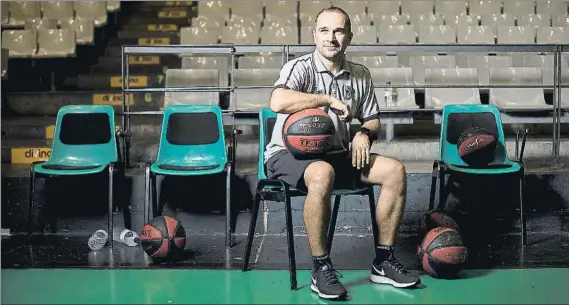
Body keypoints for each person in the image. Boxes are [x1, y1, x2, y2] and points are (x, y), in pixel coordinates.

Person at [264, 6, 421, 300]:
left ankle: (383, 261)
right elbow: (277, 101)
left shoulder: (360, 74)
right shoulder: (299, 67)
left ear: (349, 36)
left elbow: (372, 119)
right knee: (322, 173)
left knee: (394, 171)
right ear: (314, 35)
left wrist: (364, 133)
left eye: (338, 31)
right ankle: (320, 268)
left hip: (336, 152)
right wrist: (325, 99)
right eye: (324, 31)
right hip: (288, 155)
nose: (331, 38)